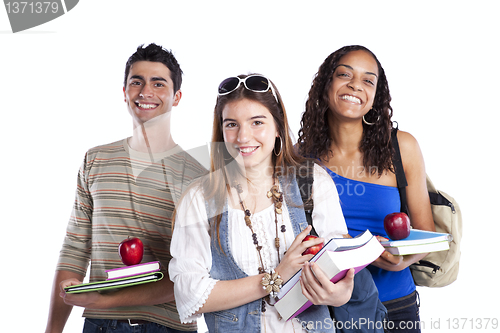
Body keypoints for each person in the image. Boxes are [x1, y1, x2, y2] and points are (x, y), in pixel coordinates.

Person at [168, 74, 356, 332]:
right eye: (231, 124)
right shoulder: (200, 198)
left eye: (257, 122)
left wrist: (338, 294)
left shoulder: (313, 183)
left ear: (278, 128)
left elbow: (341, 276)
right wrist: (276, 277)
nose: (243, 136)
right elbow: (190, 295)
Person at [45, 43, 207, 333]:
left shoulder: (197, 176)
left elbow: (193, 274)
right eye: (137, 82)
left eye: (159, 83)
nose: (146, 92)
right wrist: (52, 330)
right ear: (124, 92)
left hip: (167, 326)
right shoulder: (94, 160)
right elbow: (75, 249)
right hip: (99, 325)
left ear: (177, 96)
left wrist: (104, 300)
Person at [297, 45, 435, 332]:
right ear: (326, 85)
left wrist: (401, 262)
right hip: (328, 308)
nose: (355, 85)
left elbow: (428, 233)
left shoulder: (401, 147)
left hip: (397, 306)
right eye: (344, 74)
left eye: (367, 80)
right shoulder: (299, 158)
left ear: (376, 95)